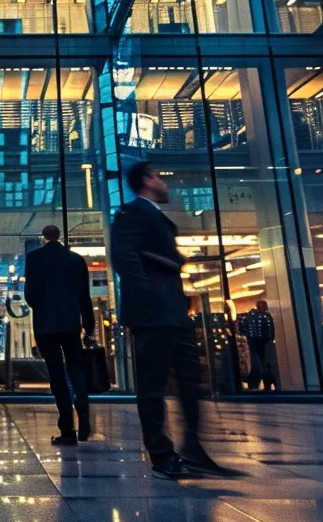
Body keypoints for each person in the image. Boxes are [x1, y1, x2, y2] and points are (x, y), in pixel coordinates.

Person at [111, 161, 241, 480]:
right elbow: (124, 257)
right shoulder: (132, 213)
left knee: (190, 378)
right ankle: (161, 456)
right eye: (159, 177)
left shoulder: (156, 217)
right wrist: (147, 296)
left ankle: (193, 450)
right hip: (154, 312)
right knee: (152, 384)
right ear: (146, 181)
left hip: (174, 312)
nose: (164, 183)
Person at [25, 224, 96, 446]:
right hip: (70, 323)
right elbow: (85, 295)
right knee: (76, 369)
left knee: (57, 374)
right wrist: (89, 324)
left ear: (43, 237)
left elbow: (30, 295)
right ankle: (84, 421)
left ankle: (67, 429)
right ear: (59, 237)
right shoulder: (75, 259)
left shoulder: (34, 258)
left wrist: (40, 305)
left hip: (46, 324)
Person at [237, 299, 276, 392]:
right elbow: (271, 332)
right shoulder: (267, 317)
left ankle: (255, 380)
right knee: (265, 360)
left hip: (252, 341)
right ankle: (265, 380)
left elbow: (241, 330)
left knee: (254, 360)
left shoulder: (246, 317)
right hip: (264, 342)